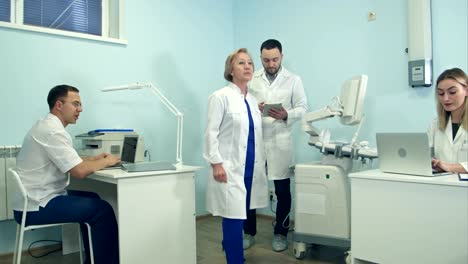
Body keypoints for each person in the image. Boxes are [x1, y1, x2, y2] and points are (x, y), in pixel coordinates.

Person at [13, 85, 121, 264]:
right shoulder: (53, 131)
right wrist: (107, 161)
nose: (80, 109)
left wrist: (94, 160)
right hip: (36, 207)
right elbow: (78, 171)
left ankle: (94, 259)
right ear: (58, 105)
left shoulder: (47, 125)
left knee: (93, 197)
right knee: (102, 210)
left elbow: (71, 159)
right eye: (76, 104)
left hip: (33, 200)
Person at [204, 48, 268, 264]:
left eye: (250, 63)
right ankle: (235, 259)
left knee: (241, 212)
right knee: (232, 215)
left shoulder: (252, 100)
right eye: (241, 63)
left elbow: (253, 134)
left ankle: (229, 245)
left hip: (251, 166)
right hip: (229, 167)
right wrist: (216, 163)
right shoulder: (220, 97)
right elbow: (211, 132)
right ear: (231, 70)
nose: (248, 66)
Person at [246, 39, 308, 252]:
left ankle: (281, 234)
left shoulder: (293, 80)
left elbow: (302, 108)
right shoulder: (252, 78)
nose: (270, 64)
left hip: (280, 141)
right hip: (257, 141)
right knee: (250, 188)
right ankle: (248, 232)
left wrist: (286, 114)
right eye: (266, 60)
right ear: (260, 57)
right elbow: (243, 103)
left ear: (282, 56)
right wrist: (256, 106)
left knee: (282, 191)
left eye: (274, 59)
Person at [428, 68, 467, 173]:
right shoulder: (435, 125)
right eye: (441, 93)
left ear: (466, 90)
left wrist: (449, 167)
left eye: (452, 92)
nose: (445, 98)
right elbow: (426, 156)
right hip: (443, 185)